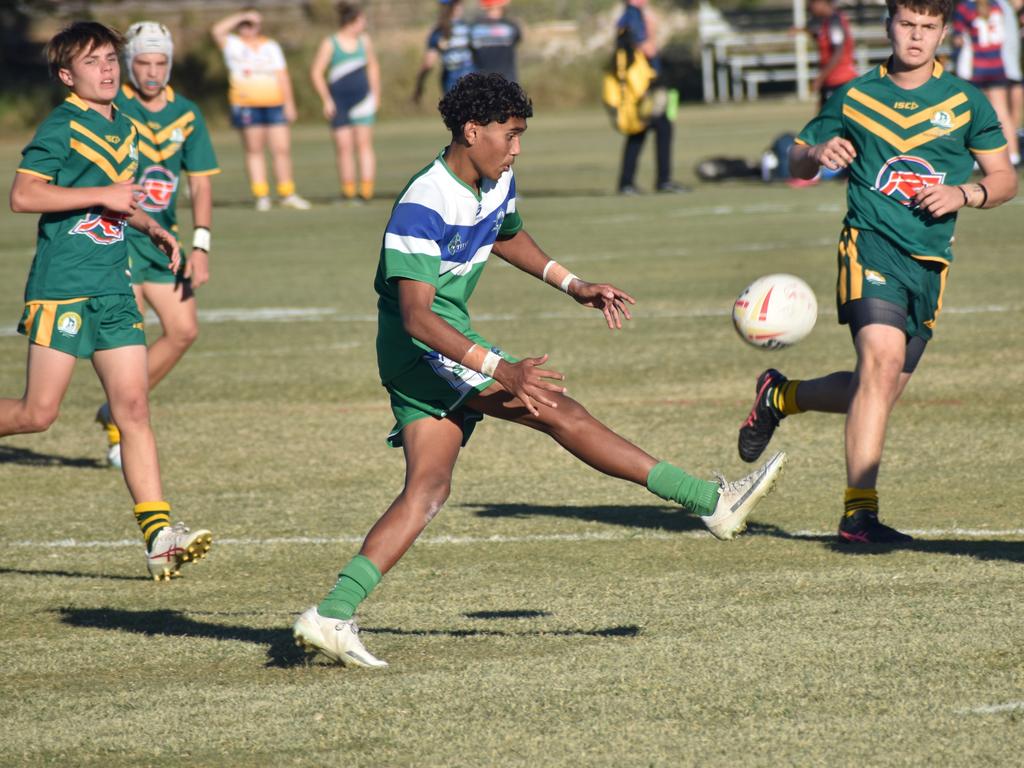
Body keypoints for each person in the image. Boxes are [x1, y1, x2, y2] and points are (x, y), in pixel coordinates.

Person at [292, 72, 787, 668]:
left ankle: (331, 613)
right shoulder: (424, 202)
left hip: (442, 340)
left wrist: (572, 283)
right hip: (421, 346)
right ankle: (708, 500)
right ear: (471, 131)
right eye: (509, 134)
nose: (517, 147)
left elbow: (506, 235)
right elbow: (417, 317)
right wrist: (502, 370)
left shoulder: (493, 177)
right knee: (556, 409)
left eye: (521, 134)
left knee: (427, 489)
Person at [737, 0, 1017, 544]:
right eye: (907, 25)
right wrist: (817, 152)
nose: (916, 37)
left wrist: (966, 192)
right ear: (889, 25)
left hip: (930, 264)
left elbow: (1005, 177)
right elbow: (793, 159)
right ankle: (858, 515)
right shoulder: (856, 96)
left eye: (928, 28)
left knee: (879, 388)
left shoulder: (966, 101)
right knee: (881, 360)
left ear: (944, 32)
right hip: (868, 246)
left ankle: (779, 396)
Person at [3, 21, 213, 580]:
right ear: (67, 76)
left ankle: (159, 535)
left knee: (134, 407)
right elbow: (23, 196)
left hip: (113, 286)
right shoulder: (62, 125)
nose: (108, 68)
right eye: (93, 62)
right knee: (36, 414)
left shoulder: (122, 124)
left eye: (111, 58)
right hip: (63, 284)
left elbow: (117, 200)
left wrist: (150, 226)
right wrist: (104, 194)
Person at [94, 21, 220, 469]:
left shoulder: (186, 113)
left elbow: (200, 186)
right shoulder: (109, 106)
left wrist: (201, 246)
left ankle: (115, 407)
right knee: (127, 338)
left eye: (160, 62)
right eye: (143, 62)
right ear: (130, 64)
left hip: (160, 240)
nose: (152, 72)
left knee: (184, 329)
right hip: (113, 237)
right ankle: (121, 427)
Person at [211, 9, 310, 211]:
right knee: (254, 150)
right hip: (246, 104)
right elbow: (216, 30)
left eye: (252, 23)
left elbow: (282, 76)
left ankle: (286, 193)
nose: (249, 27)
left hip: (274, 103)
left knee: (281, 149)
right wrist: (242, 15)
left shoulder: (270, 46)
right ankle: (261, 195)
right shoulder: (232, 44)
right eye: (245, 24)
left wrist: (289, 103)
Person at [310, 1, 380, 203]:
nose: (364, 24)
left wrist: (375, 94)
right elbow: (316, 72)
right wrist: (326, 100)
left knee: (364, 145)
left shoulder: (364, 41)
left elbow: (373, 67)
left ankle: (366, 191)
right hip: (339, 102)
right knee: (343, 147)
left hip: (363, 100)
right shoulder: (330, 43)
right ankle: (348, 191)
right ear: (352, 21)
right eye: (362, 20)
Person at [615, 0, 686, 195]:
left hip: (641, 84)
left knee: (646, 130)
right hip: (645, 84)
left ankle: (629, 182)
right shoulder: (634, 15)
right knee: (655, 128)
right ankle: (659, 180)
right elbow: (647, 48)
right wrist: (653, 29)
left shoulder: (628, 15)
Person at [953, 0, 1021, 164]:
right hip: (997, 66)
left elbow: (958, 39)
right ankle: (1013, 154)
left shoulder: (964, 8)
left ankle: (978, 158)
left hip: (975, 68)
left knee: (977, 114)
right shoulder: (997, 5)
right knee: (1002, 112)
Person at [413, 0, 474, 104]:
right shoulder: (469, 28)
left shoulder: (438, 31)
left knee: (457, 115)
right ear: (454, 7)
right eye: (458, 4)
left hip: (451, 78)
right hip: (469, 76)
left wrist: (419, 84)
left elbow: (428, 64)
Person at [807, 0, 860, 108]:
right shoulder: (827, 22)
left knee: (828, 121)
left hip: (839, 81)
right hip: (832, 81)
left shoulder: (834, 21)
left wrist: (819, 79)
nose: (809, 7)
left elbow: (838, 53)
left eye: (812, 3)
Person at [469, 0, 522, 83]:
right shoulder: (511, 27)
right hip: (507, 81)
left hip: (482, 83)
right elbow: (518, 38)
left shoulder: (473, 28)